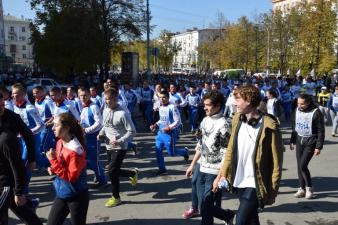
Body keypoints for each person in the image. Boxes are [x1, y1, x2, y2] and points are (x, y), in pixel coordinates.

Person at [214, 85, 284, 225]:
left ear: (249, 101)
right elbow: (230, 150)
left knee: (240, 220)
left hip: (255, 181)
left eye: (238, 99)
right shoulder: (237, 120)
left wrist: (273, 190)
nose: (234, 103)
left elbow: (277, 162)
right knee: (252, 219)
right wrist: (221, 174)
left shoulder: (269, 127)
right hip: (239, 178)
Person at [185, 90, 234, 225]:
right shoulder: (205, 120)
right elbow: (200, 144)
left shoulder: (225, 124)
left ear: (218, 106)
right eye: (204, 104)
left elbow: (226, 153)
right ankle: (227, 215)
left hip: (214, 171)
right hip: (201, 167)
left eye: (208, 105)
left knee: (206, 207)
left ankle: (226, 215)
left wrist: (220, 176)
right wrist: (192, 164)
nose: (204, 107)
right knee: (203, 206)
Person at [46, 113, 89, 225]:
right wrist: (53, 167)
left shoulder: (76, 150)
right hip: (63, 193)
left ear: (66, 128)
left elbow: (71, 177)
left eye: (56, 125)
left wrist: (53, 161)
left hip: (77, 196)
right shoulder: (60, 142)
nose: (53, 128)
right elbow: (62, 165)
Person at [98, 88, 138, 208]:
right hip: (108, 145)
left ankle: (116, 197)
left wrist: (120, 141)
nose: (106, 102)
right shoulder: (105, 110)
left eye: (109, 100)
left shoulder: (123, 113)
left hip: (120, 147)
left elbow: (132, 131)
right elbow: (105, 125)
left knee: (111, 171)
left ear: (115, 99)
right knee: (113, 171)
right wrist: (100, 133)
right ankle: (132, 173)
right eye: (105, 99)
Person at [0, 130, 42, 225]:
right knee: (26, 215)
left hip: (6, 187)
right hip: (5, 187)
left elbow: (17, 167)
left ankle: (30, 204)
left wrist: (18, 192)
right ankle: (30, 204)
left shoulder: (5, 139)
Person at [290, 93, 325, 199]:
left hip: (311, 141)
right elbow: (294, 125)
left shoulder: (316, 112)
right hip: (300, 139)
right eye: (298, 103)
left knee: (303, 165)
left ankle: (309, 187)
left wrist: (318, 146)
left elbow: (320, 130)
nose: (300, 106)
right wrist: (292, 140)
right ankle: (301, 188)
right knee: (299, 166)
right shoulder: (297, 110)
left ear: (309, 103)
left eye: (302, 104)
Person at [150, 90, 189, 176]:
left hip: (169, 134)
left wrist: (169, 128)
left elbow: (178, 121)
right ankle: (162, 169)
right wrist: (155, 124)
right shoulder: (160, 107)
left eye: (164, 97)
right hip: (160, 133)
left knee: (171, 153)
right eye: (160, 97)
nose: (162, 99)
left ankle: (184, 152)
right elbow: (162, 119)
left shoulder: (172, 107)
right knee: (158, 150)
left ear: (168, 98)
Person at [78, 87, 107, 187]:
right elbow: (83, 121)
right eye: (81, 95)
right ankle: (98, 176)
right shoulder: (83, 106)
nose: (83, 97)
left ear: (89, 95)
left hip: (94, 137)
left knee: (95, 160)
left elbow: (99, 122)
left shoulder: (93, 106)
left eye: (85, 95)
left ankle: (103, 180)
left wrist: (87, 130)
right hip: (85, 138)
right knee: (87, 159)